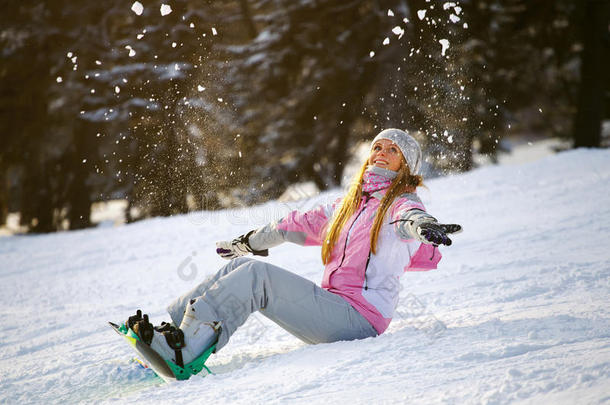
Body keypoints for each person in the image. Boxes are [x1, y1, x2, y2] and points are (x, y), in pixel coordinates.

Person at [125, 128, 462, 372]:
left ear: (405, 165)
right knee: (239, 267)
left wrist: (424, 226)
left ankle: (183, 354)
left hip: (360, 320)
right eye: (377, 146)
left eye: (392, 150)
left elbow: (411, 219)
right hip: (335, 308)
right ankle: (168, 334)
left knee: (258, 277)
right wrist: (247, 243)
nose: (380, 153)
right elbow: (292, 224)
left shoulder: (400, 204)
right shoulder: (346, 207)